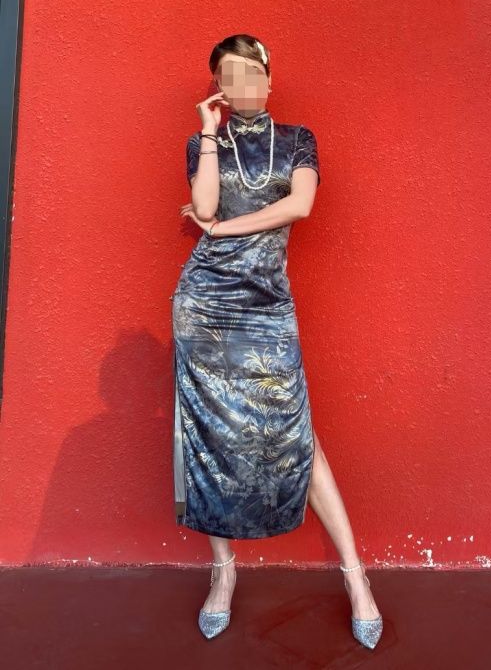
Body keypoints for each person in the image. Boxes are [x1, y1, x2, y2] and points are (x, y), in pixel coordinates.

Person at [171, 34, 383, 649]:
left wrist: (221, 229)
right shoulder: (203, 141)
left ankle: (356, 578)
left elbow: (301, 205)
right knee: (208, 436)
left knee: (297, 435)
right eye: (227, 77)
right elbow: (203, 200)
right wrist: (207, 132)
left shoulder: (297, 140)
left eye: (249, 73)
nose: (240, 85)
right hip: (206, 305)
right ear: (217, 87)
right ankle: (223, 572)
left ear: (267, 77)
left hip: (267, 306)